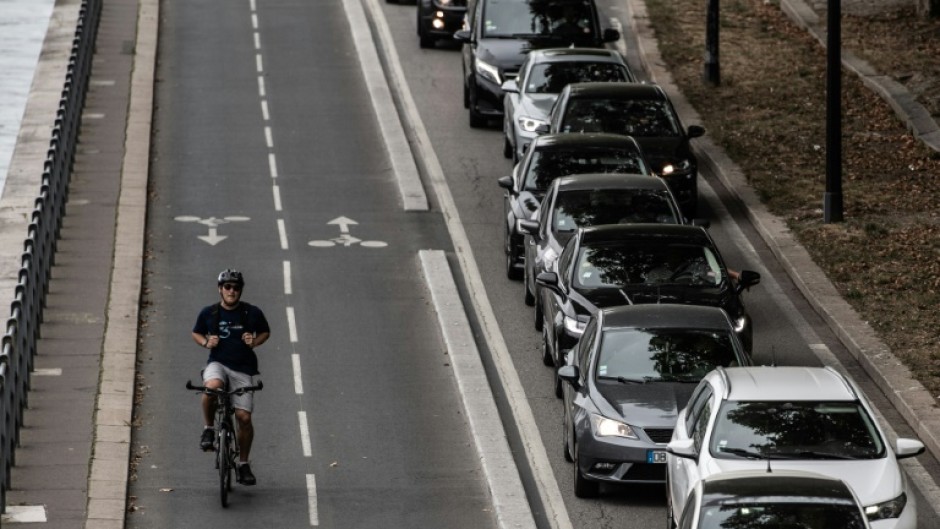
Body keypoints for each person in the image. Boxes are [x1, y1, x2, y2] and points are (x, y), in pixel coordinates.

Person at [191, 269, 271, 486]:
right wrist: (206, 343)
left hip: (243, 369)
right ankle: (208, 429)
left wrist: (254, 341)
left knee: (244, 418)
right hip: (217, 364)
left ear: (240, 290)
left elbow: (265, 331)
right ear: (220, 289)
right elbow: (196, 332)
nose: (231, 291)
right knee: (212, 387)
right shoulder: (210, 313)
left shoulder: (251, 313)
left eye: (236, 287)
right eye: (227, 287)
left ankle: (243, 464)